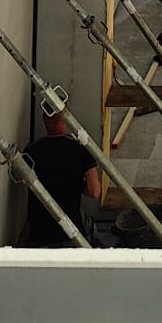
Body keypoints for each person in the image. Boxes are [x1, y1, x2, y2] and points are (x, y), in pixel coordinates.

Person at [20, 103, 101, 247]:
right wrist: (77, 186)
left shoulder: (30, 151)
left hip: (38, 235)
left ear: (44, 119)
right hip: (72, 233)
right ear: (65, 119)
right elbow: (94, 191)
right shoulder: (80, 149)